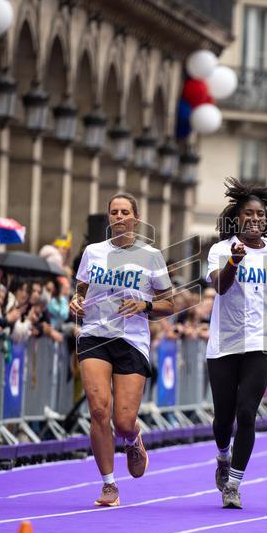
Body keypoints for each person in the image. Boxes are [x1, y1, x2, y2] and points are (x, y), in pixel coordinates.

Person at [205, 178, 267, 509]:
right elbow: (219, 286)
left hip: (261, 344)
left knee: (247, 413)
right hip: (224, 344)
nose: (255, 219)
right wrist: (234, 262)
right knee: (224, 417)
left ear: (266, 219)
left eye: (260, 215)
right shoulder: (221, 250)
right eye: (248, 214)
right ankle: (222, 455)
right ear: (237, 218)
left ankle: (233, 484)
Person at [68, 193, 174, 507]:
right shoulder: (93, 252)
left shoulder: (151, 255)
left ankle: (132, 437)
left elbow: (169, 303)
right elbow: (80, 291)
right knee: (99, 411)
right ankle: (109, 485)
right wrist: (76, 302)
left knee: (124, 420)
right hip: (95, 336)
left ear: (135, 218)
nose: (118, 217)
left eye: (124, 212)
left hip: (131, 339)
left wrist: (145, 304)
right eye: (113, 212)